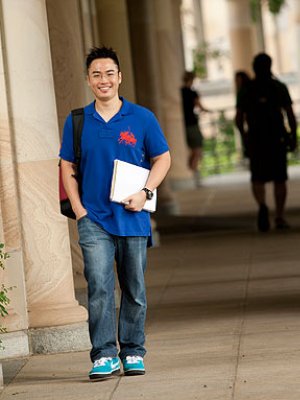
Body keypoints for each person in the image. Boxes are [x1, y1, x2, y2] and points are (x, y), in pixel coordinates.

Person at [60, 46, 171, 380]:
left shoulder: (142, 118)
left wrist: (146, 192)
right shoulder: (78, 120)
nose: (103, 80)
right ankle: (104, 354)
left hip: (133, 216)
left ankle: (133, 350)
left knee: (134, 287)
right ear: (88, 80)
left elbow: (162, 158)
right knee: (99, 286)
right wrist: (79, 210)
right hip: (94, 218)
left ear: (119, 77)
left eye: (109, 73)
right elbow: (67, 165)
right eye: (96, 74)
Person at [235, 53, 297, 232]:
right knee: (280, 178)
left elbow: (239, 118)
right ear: (270, 66)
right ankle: (279, 216)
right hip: (276, 137)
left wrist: (244, 135)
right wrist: (292, 136)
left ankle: (262, 204)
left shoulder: (246, 90)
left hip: (256, 138)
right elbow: (290, 114)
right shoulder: (278, 87)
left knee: (257, 177)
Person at [180, 71, 209, 185]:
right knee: (197, 150)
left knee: (193, 151)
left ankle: (192, 172)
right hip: (192, 124)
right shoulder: (192, 93)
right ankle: (194, 174)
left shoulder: (180, 92)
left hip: (183, 125)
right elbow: (200, 106)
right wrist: (207, 110)